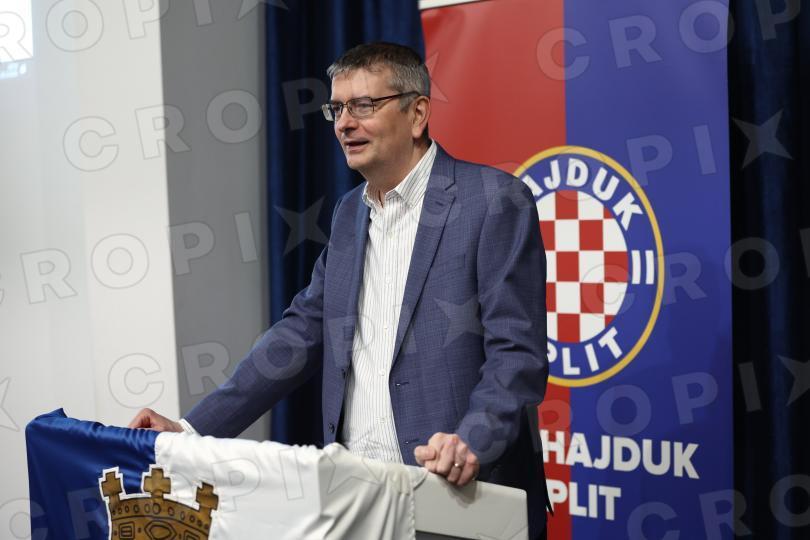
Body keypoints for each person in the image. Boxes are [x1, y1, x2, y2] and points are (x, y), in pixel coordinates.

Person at [129, 42, 549, 539]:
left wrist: (471, 440)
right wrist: (190, 431)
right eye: (337, 108)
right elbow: (300, 333)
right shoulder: (350, 212)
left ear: (417, 114)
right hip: (359, 498)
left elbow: (516, 355)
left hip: (459, 495)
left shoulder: (494, 201)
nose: (345, 124)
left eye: (364, 105)